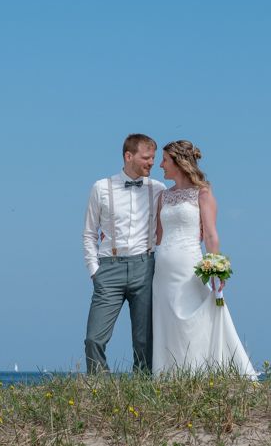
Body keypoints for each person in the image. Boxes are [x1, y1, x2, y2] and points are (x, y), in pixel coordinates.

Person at [152, 140, 257, 378]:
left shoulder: (203, 193)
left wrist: (216, 268)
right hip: (163, 269)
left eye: (165, 161)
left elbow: (210, 234)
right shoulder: (163, 197)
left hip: (189, 266)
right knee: (167, 322)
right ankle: (169, 375)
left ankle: (198, 371)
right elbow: (158, 237)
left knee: (194, 318)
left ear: (179, 163)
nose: (161, 165)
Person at [82, 133, 167, 373]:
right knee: (94, 338)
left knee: (144, 341)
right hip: (109, 268)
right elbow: (89, 232)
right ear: (129, 156)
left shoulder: (158, 189)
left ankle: (142, 391)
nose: (152, 163)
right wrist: (94, 271)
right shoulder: (101, 187)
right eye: (147, 157)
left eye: (153, 158)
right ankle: (98, 388)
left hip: (145, 266)